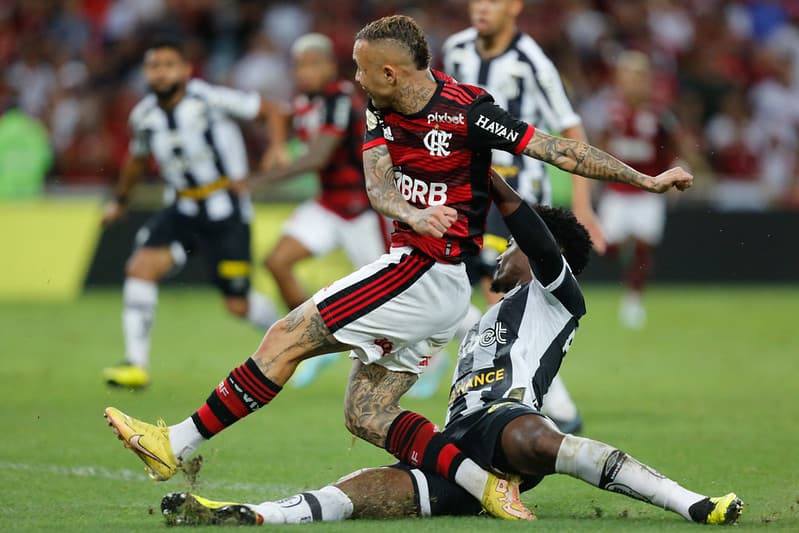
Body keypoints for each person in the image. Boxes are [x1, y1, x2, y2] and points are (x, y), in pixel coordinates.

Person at [103, 15, 692, 521]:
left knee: (284, 337)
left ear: (390, 72)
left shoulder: (470, 114)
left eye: (362, 69)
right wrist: (415, 210)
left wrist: (644, 179)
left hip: (425, 271)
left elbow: (559, 149)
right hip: (424, 273)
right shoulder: (378, 108)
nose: (355, 78)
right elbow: (379, 188)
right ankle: (487, 486)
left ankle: (172, 443)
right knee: (366, 414)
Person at [158, 172, 741, 527]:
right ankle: (249, 515)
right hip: (456, 444)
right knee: (363, 494)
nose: (502, 256)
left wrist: (485, 172)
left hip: (509, 423)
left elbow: (537, 241)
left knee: (537, 437)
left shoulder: (561, 298)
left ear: (538, 258)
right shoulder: (488, 311)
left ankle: (691, 503)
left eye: (509, 248)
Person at [417, 0, 601, 428]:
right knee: (455, 285)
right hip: (469, 189)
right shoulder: (458, 48)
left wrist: (582, 203)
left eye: (493, 1)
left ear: (514, 7)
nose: (481, 9)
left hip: (518, 194)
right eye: (476, 1)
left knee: (500, 291)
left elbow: (570, 128)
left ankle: (547, 404)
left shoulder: (532, 61)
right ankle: (529, 393)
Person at [100, 37, 288, 389]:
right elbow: (137, 161)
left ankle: (286, 337)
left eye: (169, 65)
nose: (160, 73)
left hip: (226, 210)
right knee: (141, 268)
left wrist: (276, 148)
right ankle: (135, 364)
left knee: (238, 304)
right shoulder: (143, 115)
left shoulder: (209, 99)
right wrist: (120, 202)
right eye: (154, 66)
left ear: (185, 70)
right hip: (182, 207)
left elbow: (271, 109)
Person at [254, 33, 390, 387]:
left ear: (331, 66)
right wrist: (279, 143)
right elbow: (280, 115)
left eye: (314, 64)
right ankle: (308, 344)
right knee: (277, 262)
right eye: (300, 66)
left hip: (362, 209)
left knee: (389, 298)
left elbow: (319, 156)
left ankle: (431, 359)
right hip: (329, 206)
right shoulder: (304, 100)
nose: (306, 72)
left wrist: (259, 181)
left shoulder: (341, 98)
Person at [583, 50, 706, 329]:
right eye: (627, 76)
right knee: (607, 246)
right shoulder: (609, 112)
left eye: (639, 77)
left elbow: (681, 148)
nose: (633, 83)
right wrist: (590, 179)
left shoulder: (661, 115)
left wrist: (681, 168)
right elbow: (597, 148)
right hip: (617, 191)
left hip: (649, 192)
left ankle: (633, 299)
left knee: (643, 245)